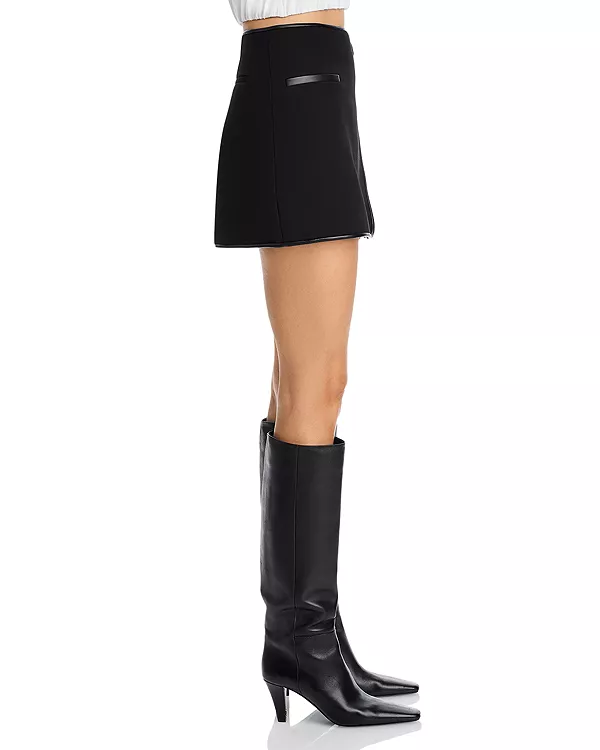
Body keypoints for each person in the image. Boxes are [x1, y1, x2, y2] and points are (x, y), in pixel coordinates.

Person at [215, 2, 420, 727]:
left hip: (313, 84)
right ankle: (301, 640)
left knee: (296, 378)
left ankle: (308, 634)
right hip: (296, 85)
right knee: (316, 380)